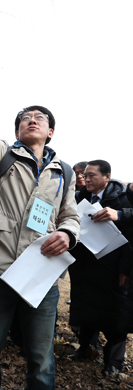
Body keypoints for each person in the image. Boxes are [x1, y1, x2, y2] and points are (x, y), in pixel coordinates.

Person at [0, 22, 80, 390]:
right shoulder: (1, 157)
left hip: (41, 278)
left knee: (41, 363)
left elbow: (70, 215)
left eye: (40, 117)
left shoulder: (65, 173)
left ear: (51, 132)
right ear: (18, 129)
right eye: (26, 117)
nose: (33, 119)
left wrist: (68, 233)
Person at [67, 160, 133, 375]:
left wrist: (125, 269)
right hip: (85, 265)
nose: (86, 179)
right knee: (86, 307)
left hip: (112, 269)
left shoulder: (122, 199)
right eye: (85, 175)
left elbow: (130, 238)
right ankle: (85, 348)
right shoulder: (79, 198)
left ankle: (113, 363)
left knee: (114, 313)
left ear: (107, 177)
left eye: (92, 175)